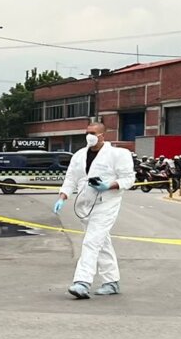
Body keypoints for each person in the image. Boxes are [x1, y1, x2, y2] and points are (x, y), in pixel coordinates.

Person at [53, 122, 135, 299]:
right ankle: (111, 281)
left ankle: (82, 282)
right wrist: (62, 197)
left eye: (93, 133)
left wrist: (109, 185)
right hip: (85, 205)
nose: (89, 136)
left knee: (91, 242)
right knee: (101, 242)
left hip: (106, 203)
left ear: (102, 135)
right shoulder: (79, 156)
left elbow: (128, 179)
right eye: (87, 132)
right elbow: (70, 179)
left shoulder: (118, 154)